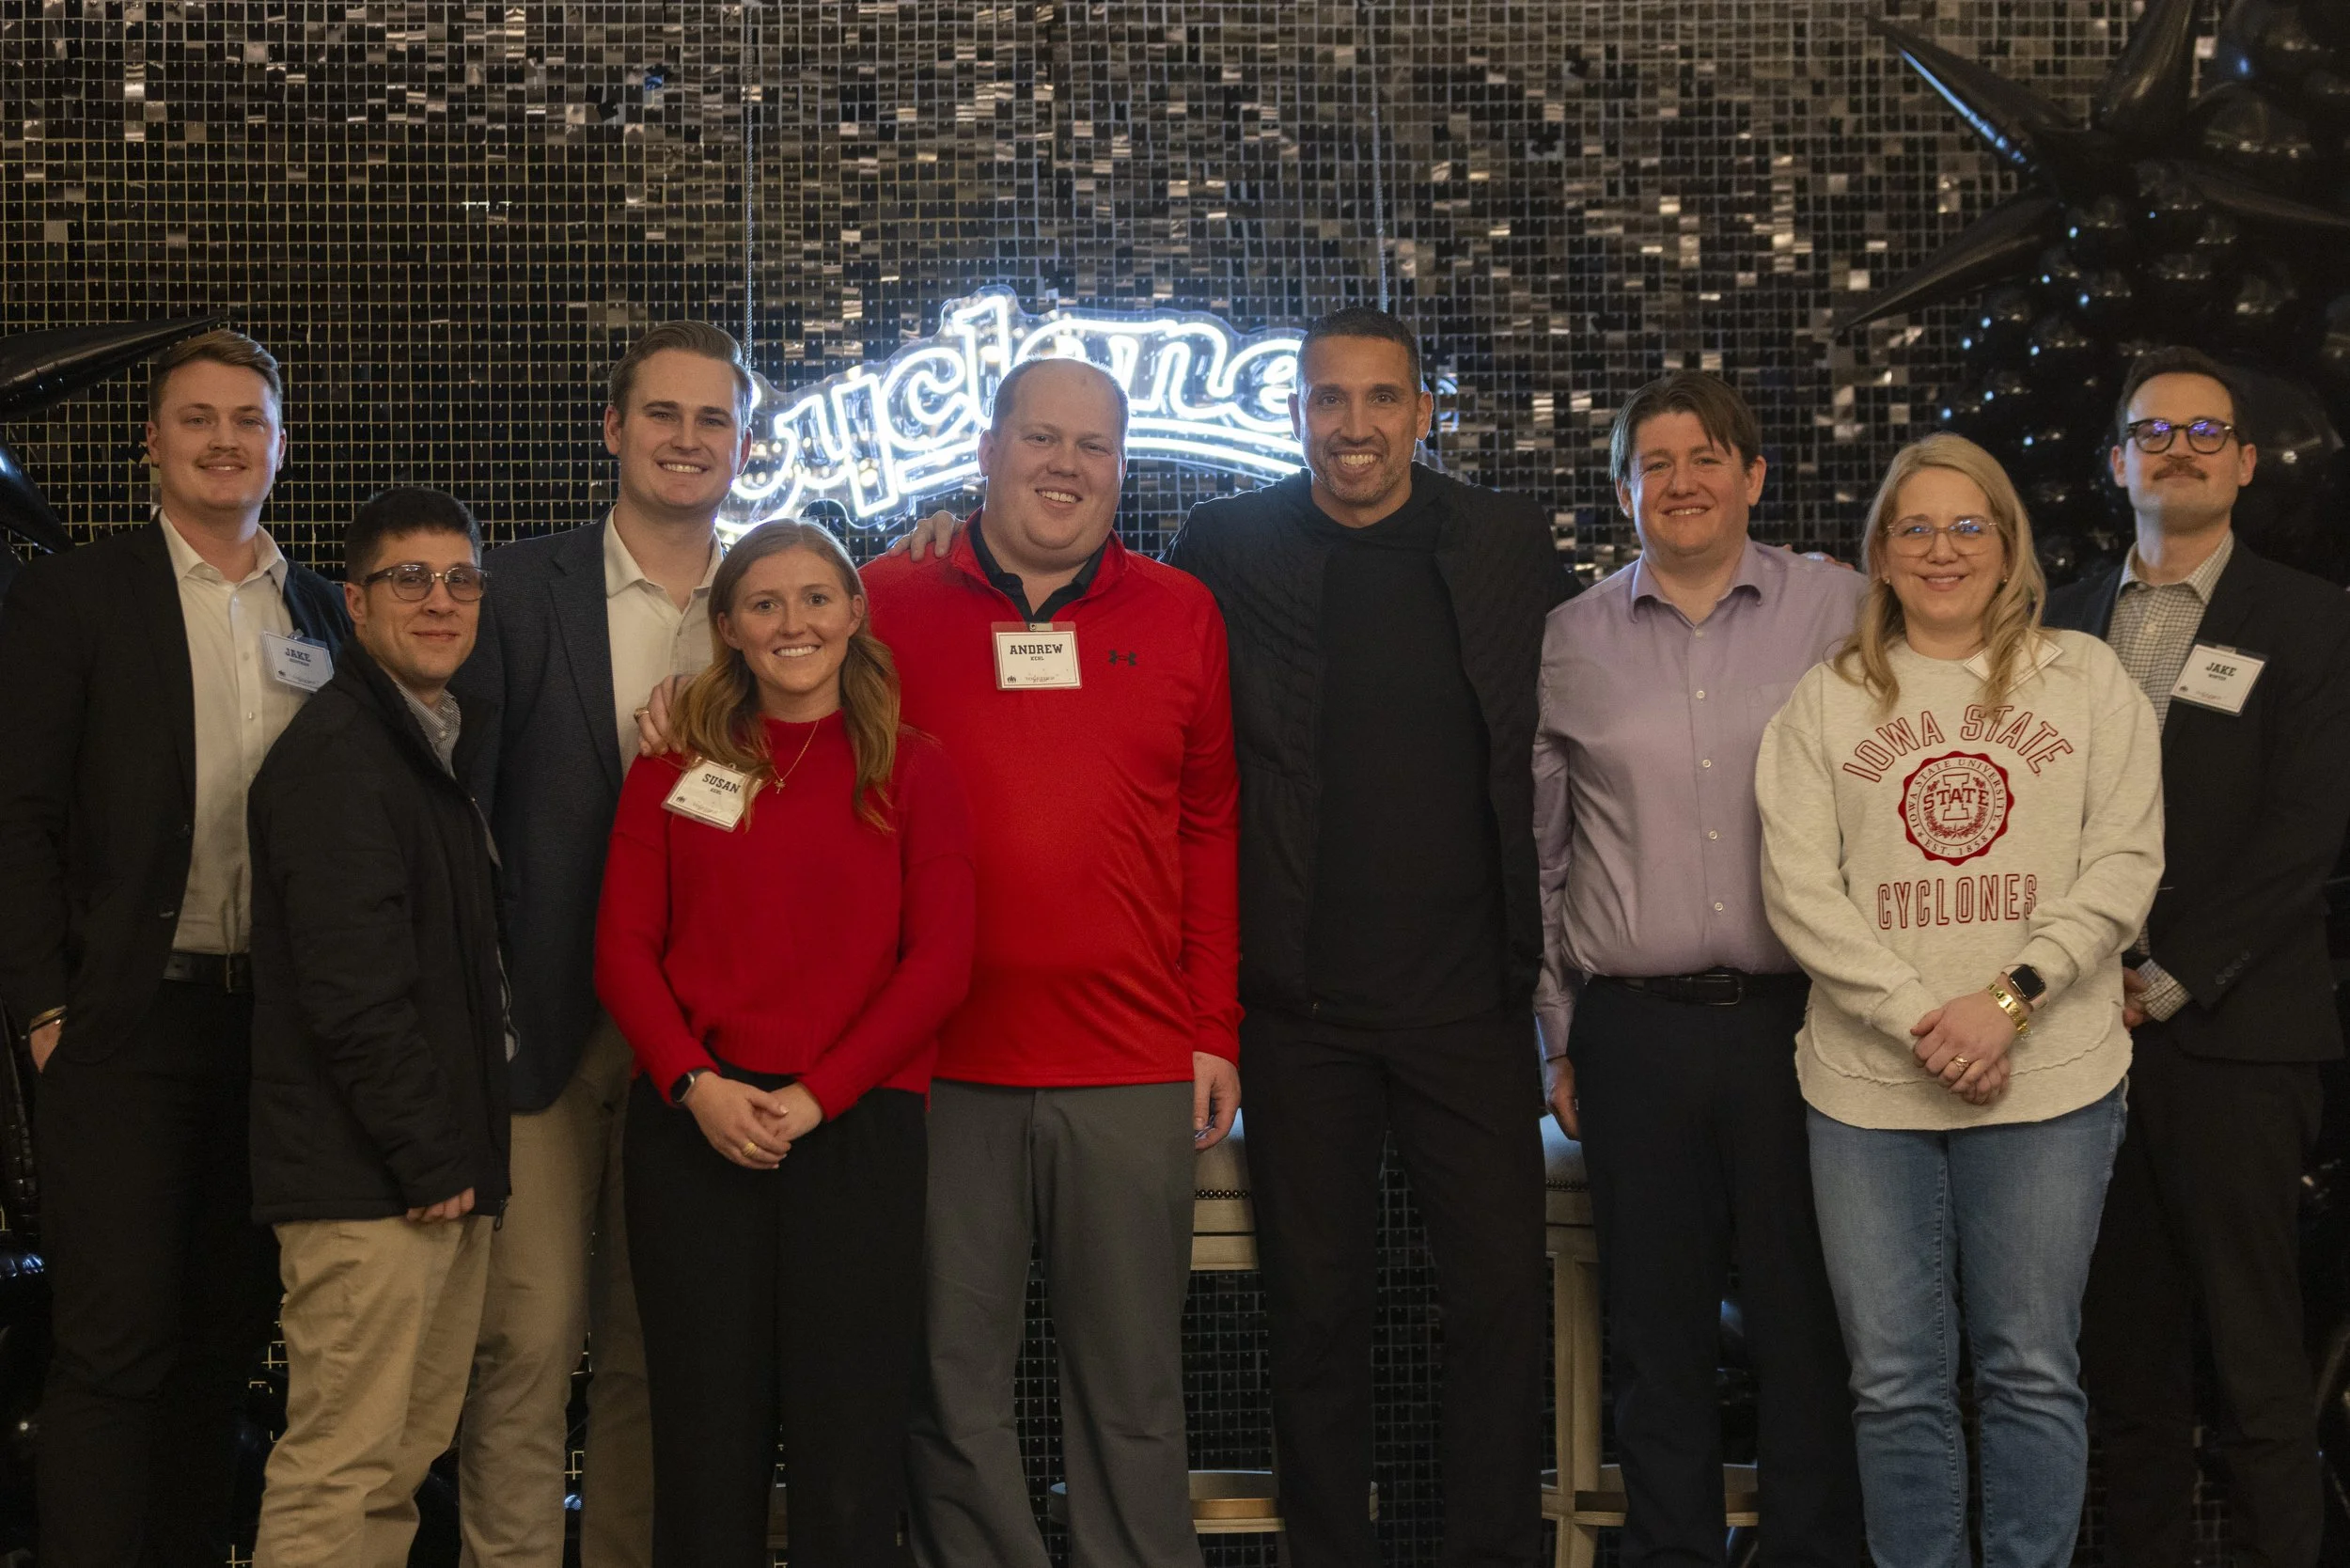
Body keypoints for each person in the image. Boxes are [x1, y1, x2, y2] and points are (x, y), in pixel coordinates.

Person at [1163, 306, 1564, 1568]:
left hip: (1470, 1010)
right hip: (1298, 1015)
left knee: (1498, 1304)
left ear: (1423, 413)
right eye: (1328, 399)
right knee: (1314, 1312)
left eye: (1380, 399)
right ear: (1295, 413)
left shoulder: (1504, 542)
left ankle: (1487, 1550)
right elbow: (1106, 624)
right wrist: (937, 536)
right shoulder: (1223, 545)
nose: (1354, 426)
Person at [857, 355, 1239, 1568]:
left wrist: (1213, 1025)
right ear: (987, 447)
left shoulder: (1180, 612)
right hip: (938, 1063)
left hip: (1129, 1062)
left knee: (1130, 1390)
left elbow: (1211, 825)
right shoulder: (881, 599)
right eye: (1041, 437)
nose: (1065, 465)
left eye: (1094, 446)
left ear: (1122, 467)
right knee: (950, 1381)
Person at [1756, 431, 2163, 1567]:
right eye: (1917, 528)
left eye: (1968, 525)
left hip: (2049, 1078)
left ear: (2007, 545)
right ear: (1879, 554)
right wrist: (1919, 1018)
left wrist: (2007, 1001)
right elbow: (1797, 889)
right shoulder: (1825, 702)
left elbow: (2123, 866)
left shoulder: (2082, 680)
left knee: (2030, 1366)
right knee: (1892, 1382)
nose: (1944, 549)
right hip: (1865, 1092)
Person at [0, 329, 349, 1568]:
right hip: (124, 1023)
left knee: (221, 1345)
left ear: (279, 446)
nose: (222, 442)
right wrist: (45, 1006)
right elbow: (18, 814)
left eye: (247, 421)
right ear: (154, 442)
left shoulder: (326, 612)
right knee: (114, 1348)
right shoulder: (76, 597)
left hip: (279, 1038)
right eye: (197, 419)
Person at [594, 520, 974, 1566]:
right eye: (764, 603)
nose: (792, 622)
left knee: (849, 1447)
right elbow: (623, 951)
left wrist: (818, 1096)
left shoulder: (915, 769)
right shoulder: (676, 765)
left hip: (857, 1130)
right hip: (693, 1132)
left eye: (816, 598)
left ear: (855, 614)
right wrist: (695, 1085)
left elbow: (939, 965)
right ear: (727, 628)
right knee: (703, 1442)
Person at [1534, 370, 1865, 1567]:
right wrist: (1559, 1037)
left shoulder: (1838, 610)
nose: (1681, 482)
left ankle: (1811, 1552)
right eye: (1653, 464)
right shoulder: (1570, 639)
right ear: (1622, 491)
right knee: (1655, 1332)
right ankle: (1670, 1554)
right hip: (1635, 1033)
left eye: (1705, 458)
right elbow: (1544, 856)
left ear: (1753, 477)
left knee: (1804, 1322)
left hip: (1807, 1025)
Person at [449, 321, 752, 1568]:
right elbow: (454, 812)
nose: (689, 441)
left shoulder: (770, 603)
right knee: (527, 1344)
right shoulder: (514, 590)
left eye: (714, 421)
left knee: (653, 1357)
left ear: (745, 444)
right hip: (546, 1031)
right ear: (614, 428)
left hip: (705, 1044)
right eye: (665, 415)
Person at [2054, 348, 2350, 1568]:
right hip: (2079, 1052)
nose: (2176, 449)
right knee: (2123, 1373)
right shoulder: (2059, 619)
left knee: (2259, 1374)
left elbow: (2308, 832)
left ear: (2242, 463)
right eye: (2150, 431)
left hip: (2236, 1042)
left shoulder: (2312, 617)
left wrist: (2169, 977)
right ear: (2116, 460)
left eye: (2203, 432)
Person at [245, 488, 510, 1567]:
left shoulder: (423, 743)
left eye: (460, 580)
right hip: (374, 1181)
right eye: (409, 579)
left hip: (425, 1171)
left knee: (394, 1472)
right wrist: (431, 1152)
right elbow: (350, 988)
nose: (439, 601)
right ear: (352, 604)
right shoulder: (342, 755)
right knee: (338, 1470)